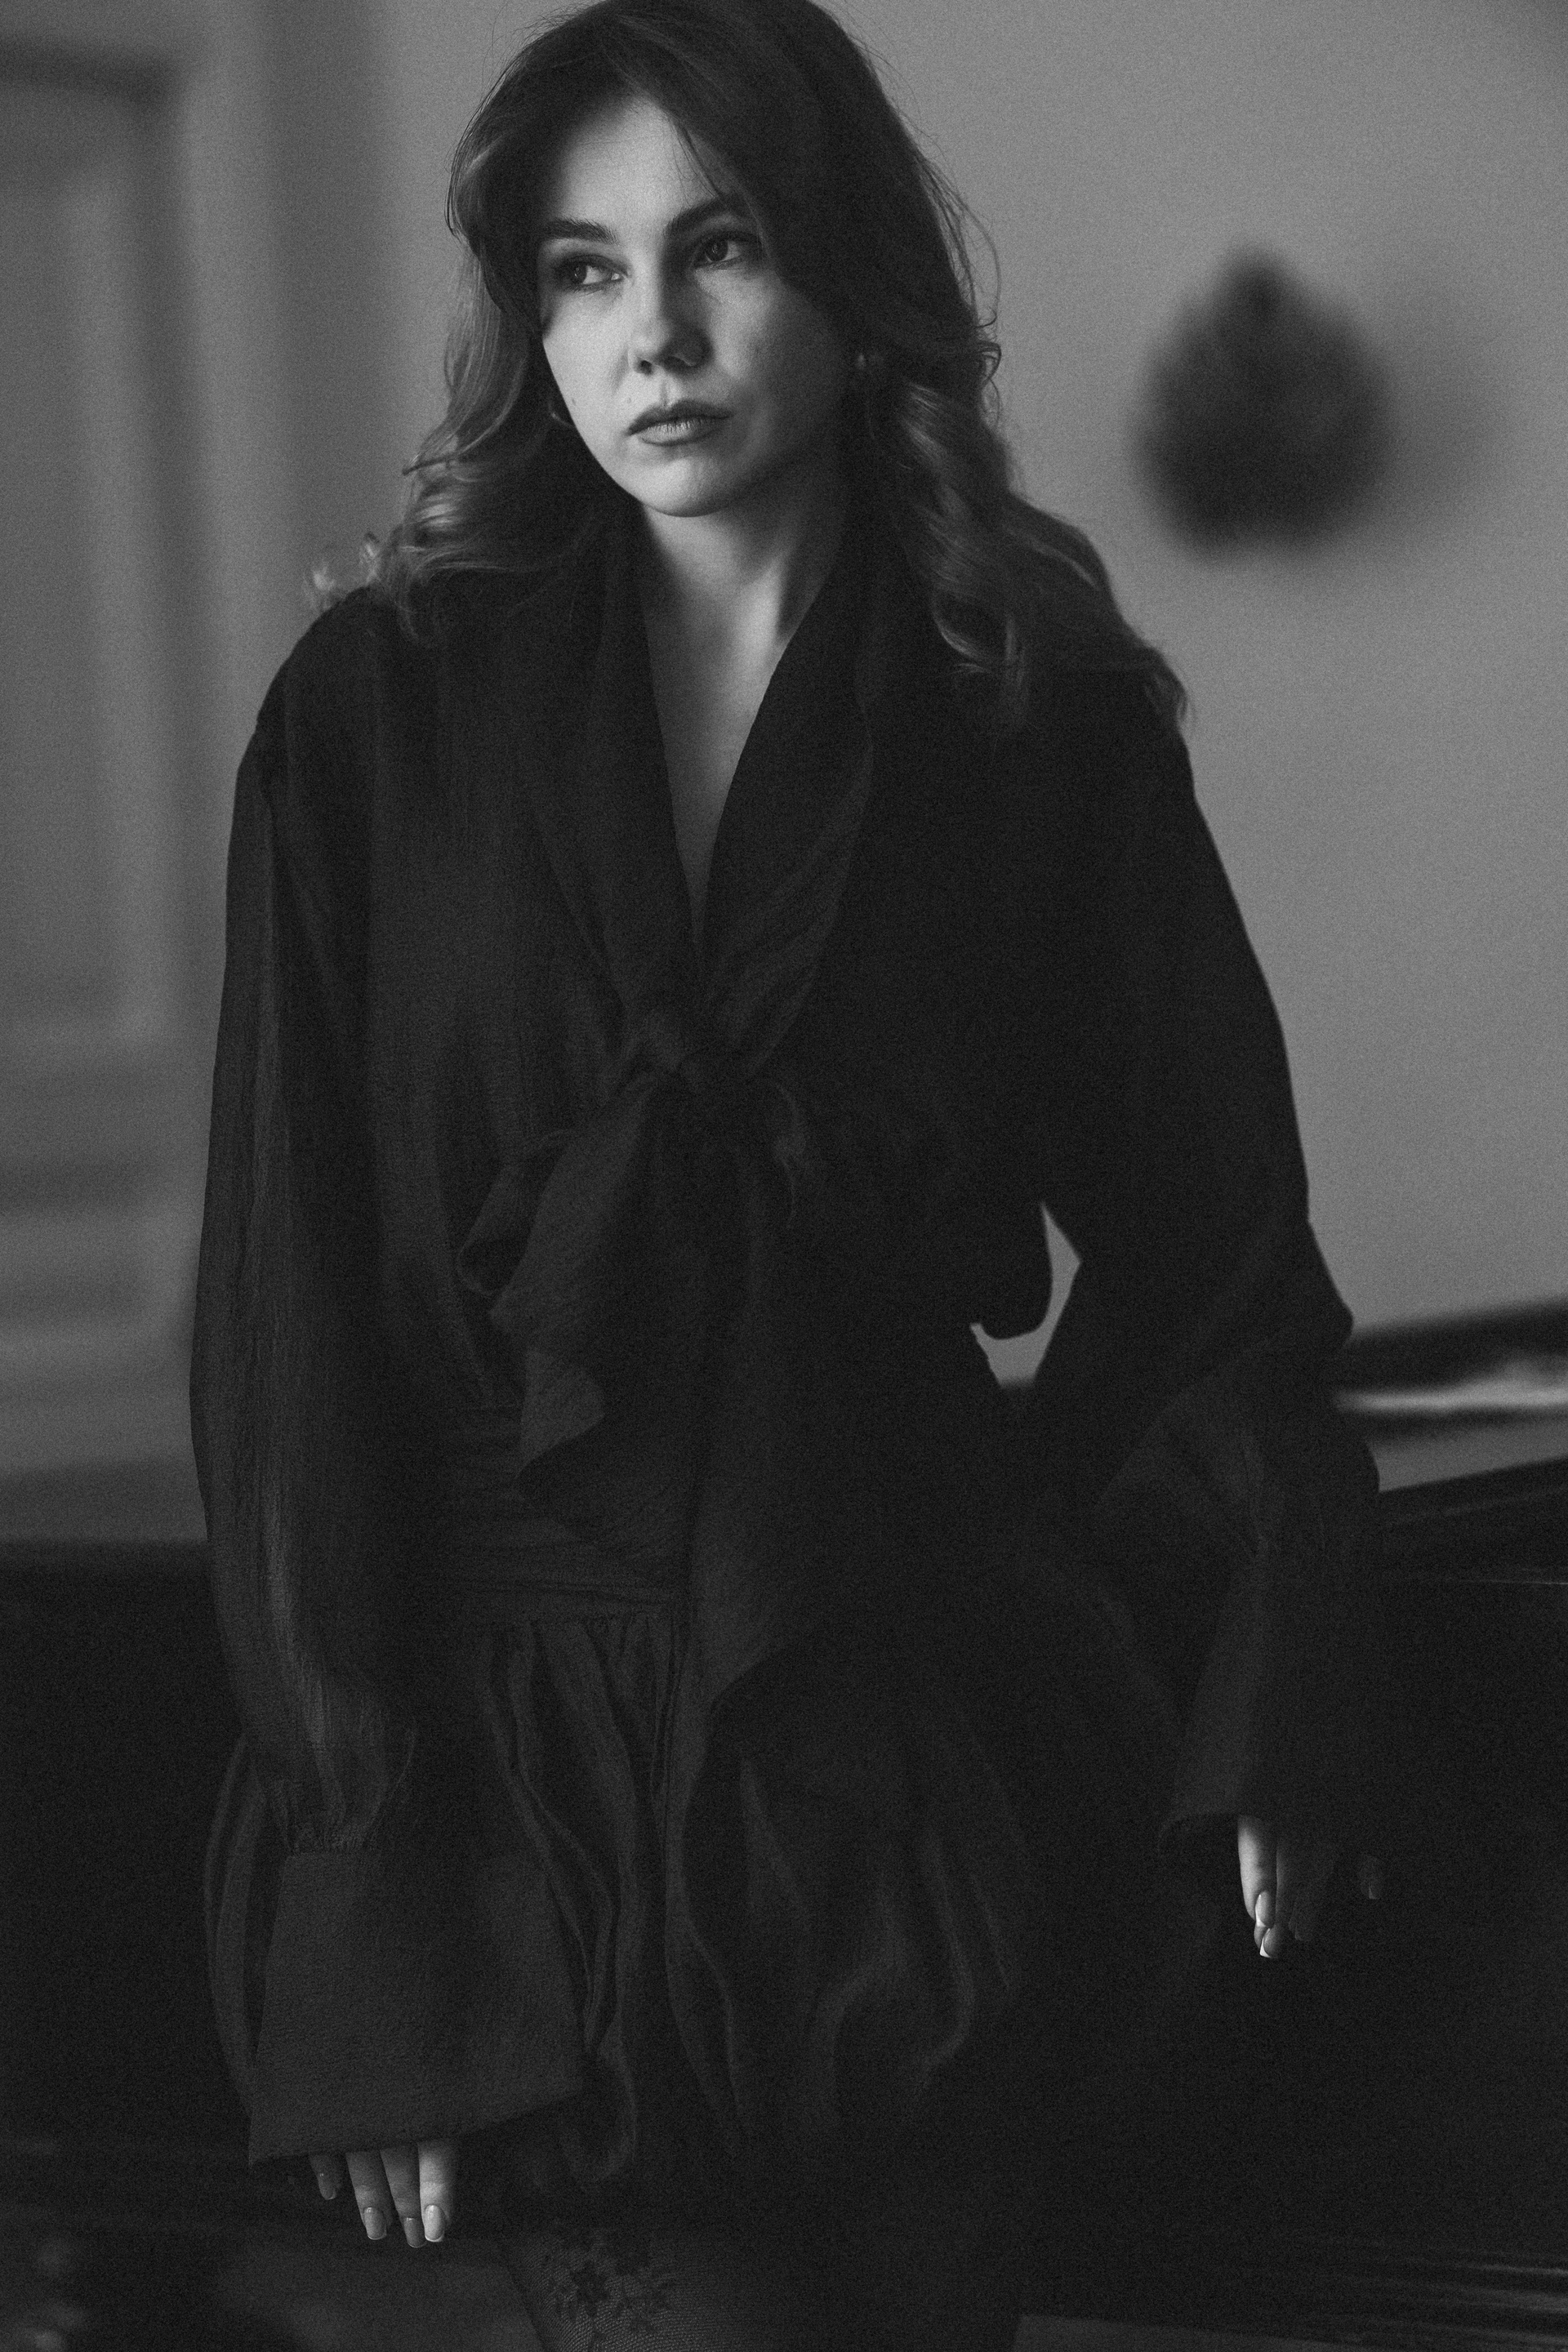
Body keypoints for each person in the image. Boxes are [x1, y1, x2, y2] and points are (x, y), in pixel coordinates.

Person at [194, 1, 1385, 2342]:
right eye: (582, 269)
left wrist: (1232, 1657)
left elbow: (1220, 1250)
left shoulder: (1035, 716)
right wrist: (378, 1905)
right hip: (528, 1820)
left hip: (925, 1800)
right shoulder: (369, 720)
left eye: (719, 246)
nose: (650, 336)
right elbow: (286, 1320)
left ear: (847, 270)